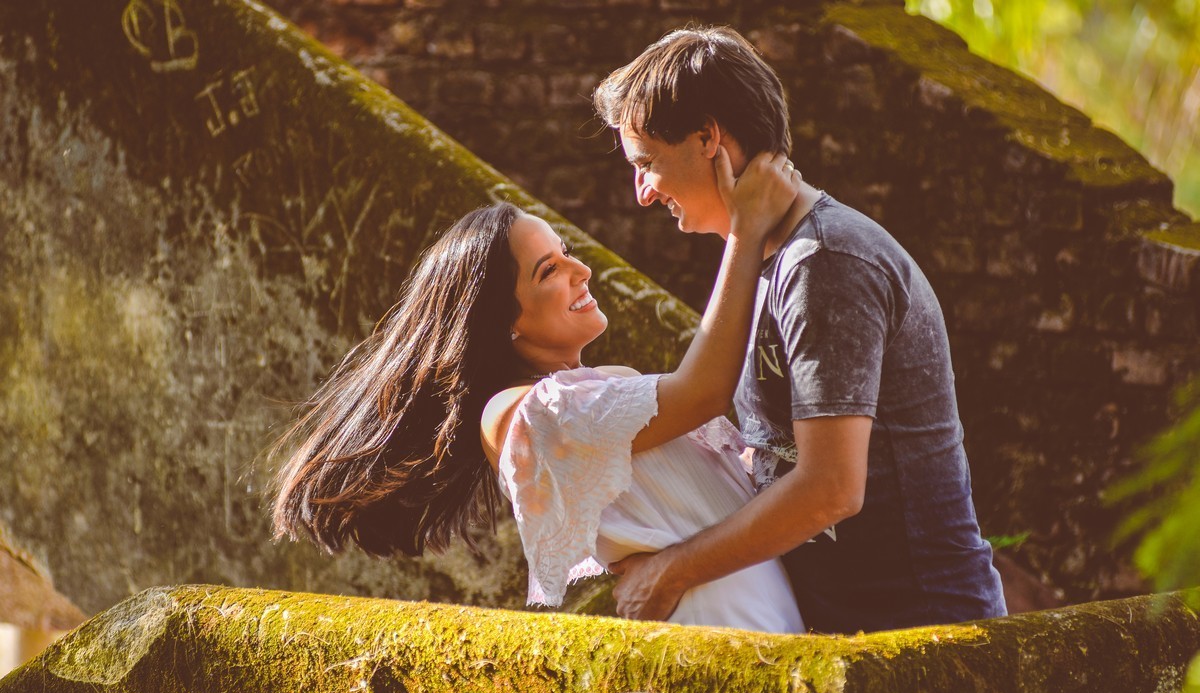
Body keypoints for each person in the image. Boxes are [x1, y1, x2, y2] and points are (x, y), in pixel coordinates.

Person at [271, 148, 808, 633]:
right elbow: (704, 391)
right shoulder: (520, 415)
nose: (583, 269)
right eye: (549, 270)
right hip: (722, 625)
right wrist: (745, 229)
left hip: (765, 610)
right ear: (504, 321)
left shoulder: (603, 388)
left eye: (567, 251)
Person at [592, 26, 1007, 633]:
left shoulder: (826, 261)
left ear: (709, 138)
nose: (642, 194)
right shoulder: (773, 258)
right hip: (851, 634)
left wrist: (675, 570)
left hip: (922, 636)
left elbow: (831, 488)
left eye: (648, 163)